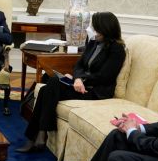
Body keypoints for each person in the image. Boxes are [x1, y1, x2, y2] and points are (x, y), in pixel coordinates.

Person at [17, 12, 126, 153]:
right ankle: (39, 136)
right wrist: (77, 78)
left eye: (96, 28)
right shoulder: (93, 42)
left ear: (106, 29)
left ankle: (37, 136)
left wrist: (82, 79)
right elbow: (78, 65)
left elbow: (105, 76)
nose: (93, 31)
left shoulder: (117, 50)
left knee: (51, 85)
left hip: (95, 91)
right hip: (81, 85)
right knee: (48, 86)